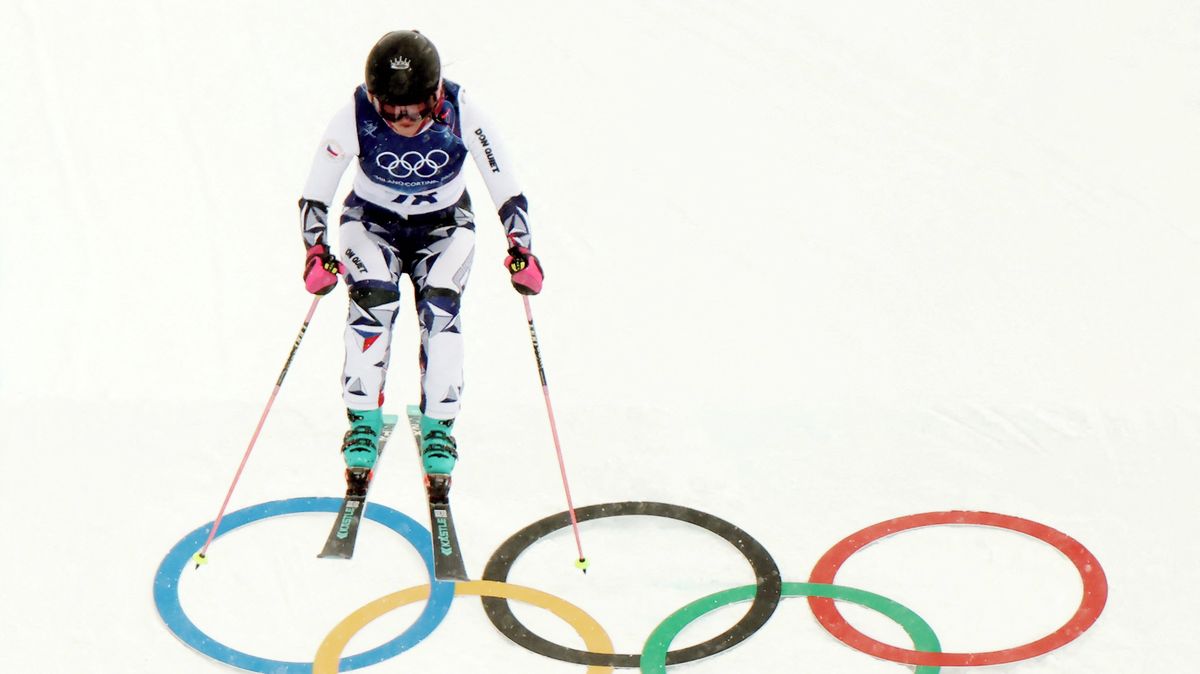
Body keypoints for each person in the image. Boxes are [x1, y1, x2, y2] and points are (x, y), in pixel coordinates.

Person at [297, 30, 544, 483]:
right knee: (372, 302)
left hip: (444, 226)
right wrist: (316, 250)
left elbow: (504, 183)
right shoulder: (353, 115)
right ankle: (363, 422)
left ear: (434, 97)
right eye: (390, 110)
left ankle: (439, 428)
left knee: (442, 308)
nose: (403, 121)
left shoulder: (462, 110)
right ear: (374, 98)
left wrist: (522, 247)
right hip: (371, 223)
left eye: (413, 110)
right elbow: (316, 194)